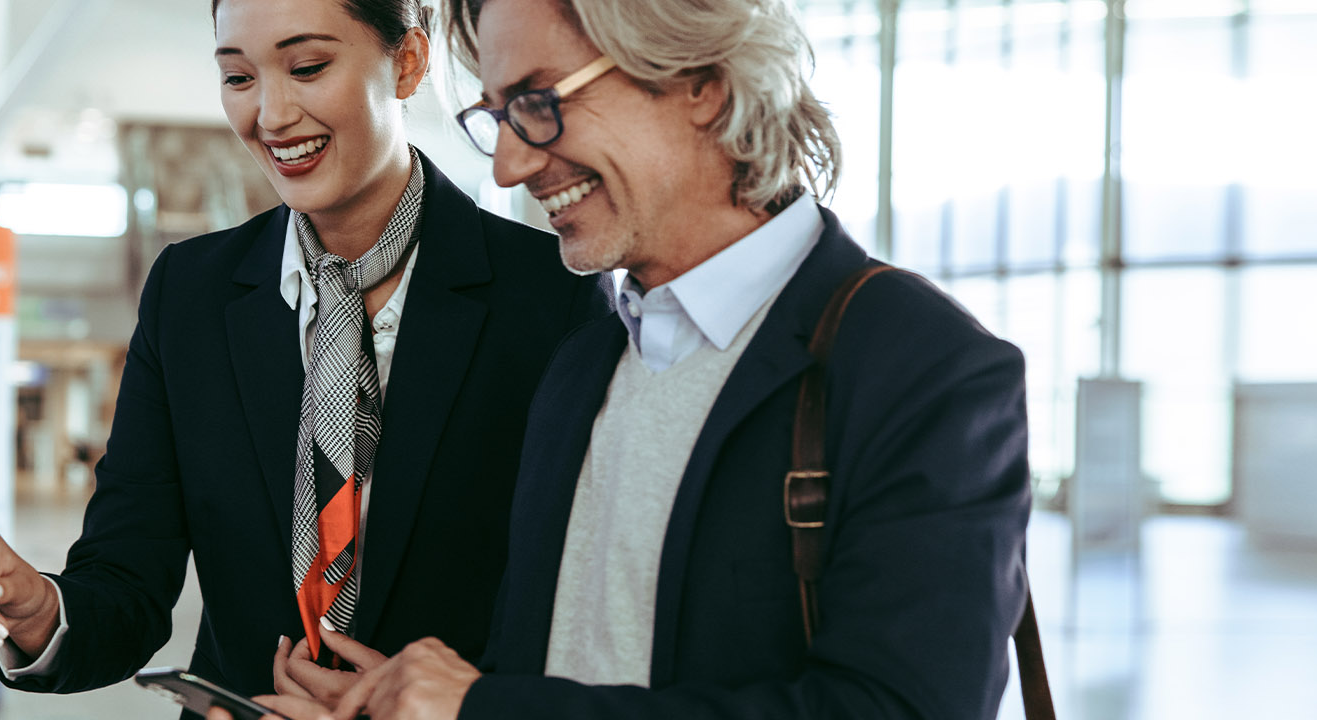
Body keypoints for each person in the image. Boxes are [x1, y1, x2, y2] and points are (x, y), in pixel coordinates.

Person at [249, 0, 1035, 718]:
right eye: (498, 117)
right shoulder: (585, 361)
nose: (510, 167)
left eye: (539, 104)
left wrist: (485, 711)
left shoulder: (927, 371)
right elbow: (557, 671)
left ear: (700, 80)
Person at [0, 0, 604, 703]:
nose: (271, 116)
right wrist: (40, 612)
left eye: (307, 67)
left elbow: (582, 612)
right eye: (239, 78)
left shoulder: (553, 300)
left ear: (407, 63)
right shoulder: (189, 296)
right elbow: (127, 580)